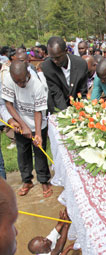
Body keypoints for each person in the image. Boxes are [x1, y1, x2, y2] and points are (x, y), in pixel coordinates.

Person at [2, 60, 52, 197]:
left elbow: (38, 112)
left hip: (38, 123)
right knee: (22, 153)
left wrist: (38, 134)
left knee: (40, 152)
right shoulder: (8, 79)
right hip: (19, 121)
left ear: (28, 74)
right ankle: (27, 180)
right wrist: (21, 125)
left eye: (23, 82)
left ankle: (44, 180)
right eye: (17, 82)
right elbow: (9, 104)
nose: (20, 85)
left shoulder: (38, 85)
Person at [41, 36, 88, 113]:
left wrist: (81, 111)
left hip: (77, 106)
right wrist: (66, 114)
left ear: (66, 51)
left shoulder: (81, 64)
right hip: (57, 107)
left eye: (58, 57)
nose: (55, 61)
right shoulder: (47, 67)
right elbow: (56, 93)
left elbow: (82, 91)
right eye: (52, 58)